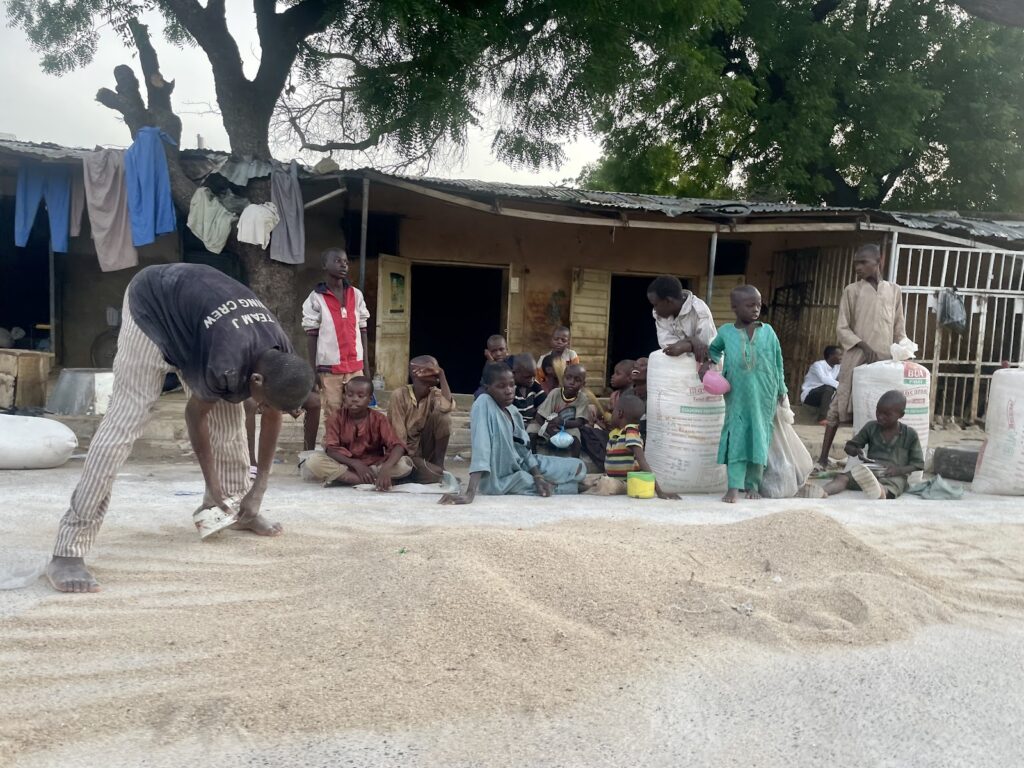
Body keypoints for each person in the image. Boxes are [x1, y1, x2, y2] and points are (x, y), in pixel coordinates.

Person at [48, 263, 314, 593]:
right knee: (124, 424)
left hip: (199, 322)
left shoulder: (281, 356)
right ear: (256, 379)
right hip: (153, 306)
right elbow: (194, 416)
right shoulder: (227, 360)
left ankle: (231, 509)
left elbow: (271, 413)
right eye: (263, 403)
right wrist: (210, 481)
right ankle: (67, 550)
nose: (262, 410)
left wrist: (259, 486)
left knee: (229, 425)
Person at [439, 363, 586, 504]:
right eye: (501, 386)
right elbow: (481, 447)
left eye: (511, 384)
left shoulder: (513, 411)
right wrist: (470, 493)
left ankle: (551, 480)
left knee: (578, 467)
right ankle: (565, 487)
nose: (509, 390)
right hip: (500, 478)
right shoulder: (484, 404)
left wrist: (537, 476)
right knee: (547, 483)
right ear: (487, 388)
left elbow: (524, 451)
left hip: (519, 464)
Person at [817, 244, 907, 467]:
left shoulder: (894, 290)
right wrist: (864, 347)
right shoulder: (852, 291)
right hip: (856, 357)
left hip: (884, 362)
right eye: (856, 263)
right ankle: (822, 458)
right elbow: (842, 328)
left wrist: (904, 351)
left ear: (879, 261)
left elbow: (899, 328)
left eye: (863, 262)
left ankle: (875, 459)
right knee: (838, 405)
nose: (858, 267)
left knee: (878, 407)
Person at [703, 285, 787, 503]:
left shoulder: (768, 332)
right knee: (736, 436)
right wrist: (710, 366)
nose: (755, 309)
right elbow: (713, 350)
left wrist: (782, 389)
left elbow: (778, 362)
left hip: (764, 394)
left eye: (758, 305)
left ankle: (753, 485)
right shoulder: (726, 332)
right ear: (734, 307)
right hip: (737, 396)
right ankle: (733, 487)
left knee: (759, 437)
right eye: (750, 305)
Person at [304, 376, 414, 490]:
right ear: (344, 397)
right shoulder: (336, 417)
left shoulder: (379, 419)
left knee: (404, 465)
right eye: (350, 395)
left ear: (370, 399)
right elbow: (331, 449)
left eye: (360, 396)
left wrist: (386, 468)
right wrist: (355, 464)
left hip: (374, 466)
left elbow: (398, 446)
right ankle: (369, 481)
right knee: (313, 461)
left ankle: (348, 480)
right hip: (345, 465)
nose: (354, 399)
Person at [302, 247, 371, 424]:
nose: (344, 265)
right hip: (329, 368)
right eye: (338, 261)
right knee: (333, 412)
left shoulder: (355, 295)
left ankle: (354, 446)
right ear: (325, 265)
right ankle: (333, 445)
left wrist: (366, 366)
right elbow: (311, 335)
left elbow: (362, 328)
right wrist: (313, 369)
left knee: (357, 411)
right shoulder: (315, 298)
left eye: (346, 262)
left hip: (355, 367)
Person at [822, 390, 924, 500]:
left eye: (887, 414)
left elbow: (918, 464)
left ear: (901, 415)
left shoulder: (910, 434)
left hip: (894, 476)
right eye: (878, 412)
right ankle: (821, 492)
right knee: (842, 478)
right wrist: (856, 450)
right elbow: (849, 447)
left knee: (892, 487)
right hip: (869, 472)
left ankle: (880, 492)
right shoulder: (871, 427)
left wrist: (898, 470)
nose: (880, 417)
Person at [581, 393, 677, 499]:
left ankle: (585, 488)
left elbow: (642, 461)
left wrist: (659, 491)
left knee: (606, 485)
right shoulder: (615, 434)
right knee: (585, 478)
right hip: (611, 478)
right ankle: (585, 486)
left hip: (626, 483)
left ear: (620, 413)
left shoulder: (631, 432)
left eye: (613, 412)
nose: (611, 415)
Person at [387, 355, 455, 484]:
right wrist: (412, 459)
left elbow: (446, 407)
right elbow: (398, 436)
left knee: (444, 417)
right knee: (412, 470)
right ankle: (421, 471)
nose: (437, 371)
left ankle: (438, 465)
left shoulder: (434, 393)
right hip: (403, 453)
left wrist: (442, 374)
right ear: (416, 372)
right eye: (432, 368)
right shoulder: (399, 395)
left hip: (425, 450)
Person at [244, 392, 321, 477]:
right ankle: (251, 462)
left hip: (286, 392)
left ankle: (306, 458)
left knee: (314, 401)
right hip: (260, 390)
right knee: (249, 403)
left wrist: (292, 402)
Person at [528, 364, 597, 458]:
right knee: (531, 429)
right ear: (563, 378)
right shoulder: (555, 393)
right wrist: (551, 432)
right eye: (568, 378)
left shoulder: (582, 399)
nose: (572, 382)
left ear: (583, 384)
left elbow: (579, 422)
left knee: (576, 435)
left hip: (567, 428)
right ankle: (533, 457)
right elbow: (539, 416)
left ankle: (575, 461)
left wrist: (563, 422)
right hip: (548, 427)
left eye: (577, 380)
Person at [647, 275, 716, 363]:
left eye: (656, 304)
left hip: (707, 366)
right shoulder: (659, 315)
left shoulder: (699, 310)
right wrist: (691, 340)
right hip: (679, 366)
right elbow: (668, 347)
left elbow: (704, 347)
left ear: (668, 301)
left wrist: (686, 346)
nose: (655, 309)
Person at [579, 358, 635, 465]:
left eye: (617, 374)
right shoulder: (615, 395)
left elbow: (621, 423)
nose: (613, 376)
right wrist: (599, 420)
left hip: (621, 437)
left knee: (584, 433)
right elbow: (608, 415)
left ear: (630, 378)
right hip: (610, 432)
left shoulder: (631, 397)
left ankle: (605, 461)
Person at [800, 345, 842, 425]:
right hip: (809, 395)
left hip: (825, 396)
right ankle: (822, 418)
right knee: (829, 388)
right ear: (831, 355)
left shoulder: (837, 367)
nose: (841, 357)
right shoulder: (818, 365)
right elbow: (824, 379)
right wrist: (840, 386)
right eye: (839, 354)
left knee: (836, 390)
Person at [511, 353, 547, 423]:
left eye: (533, 376)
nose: (531, 380)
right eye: (527, 377)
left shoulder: (534, 385)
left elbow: (544, 407)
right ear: (514, 373)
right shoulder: (510, 390)